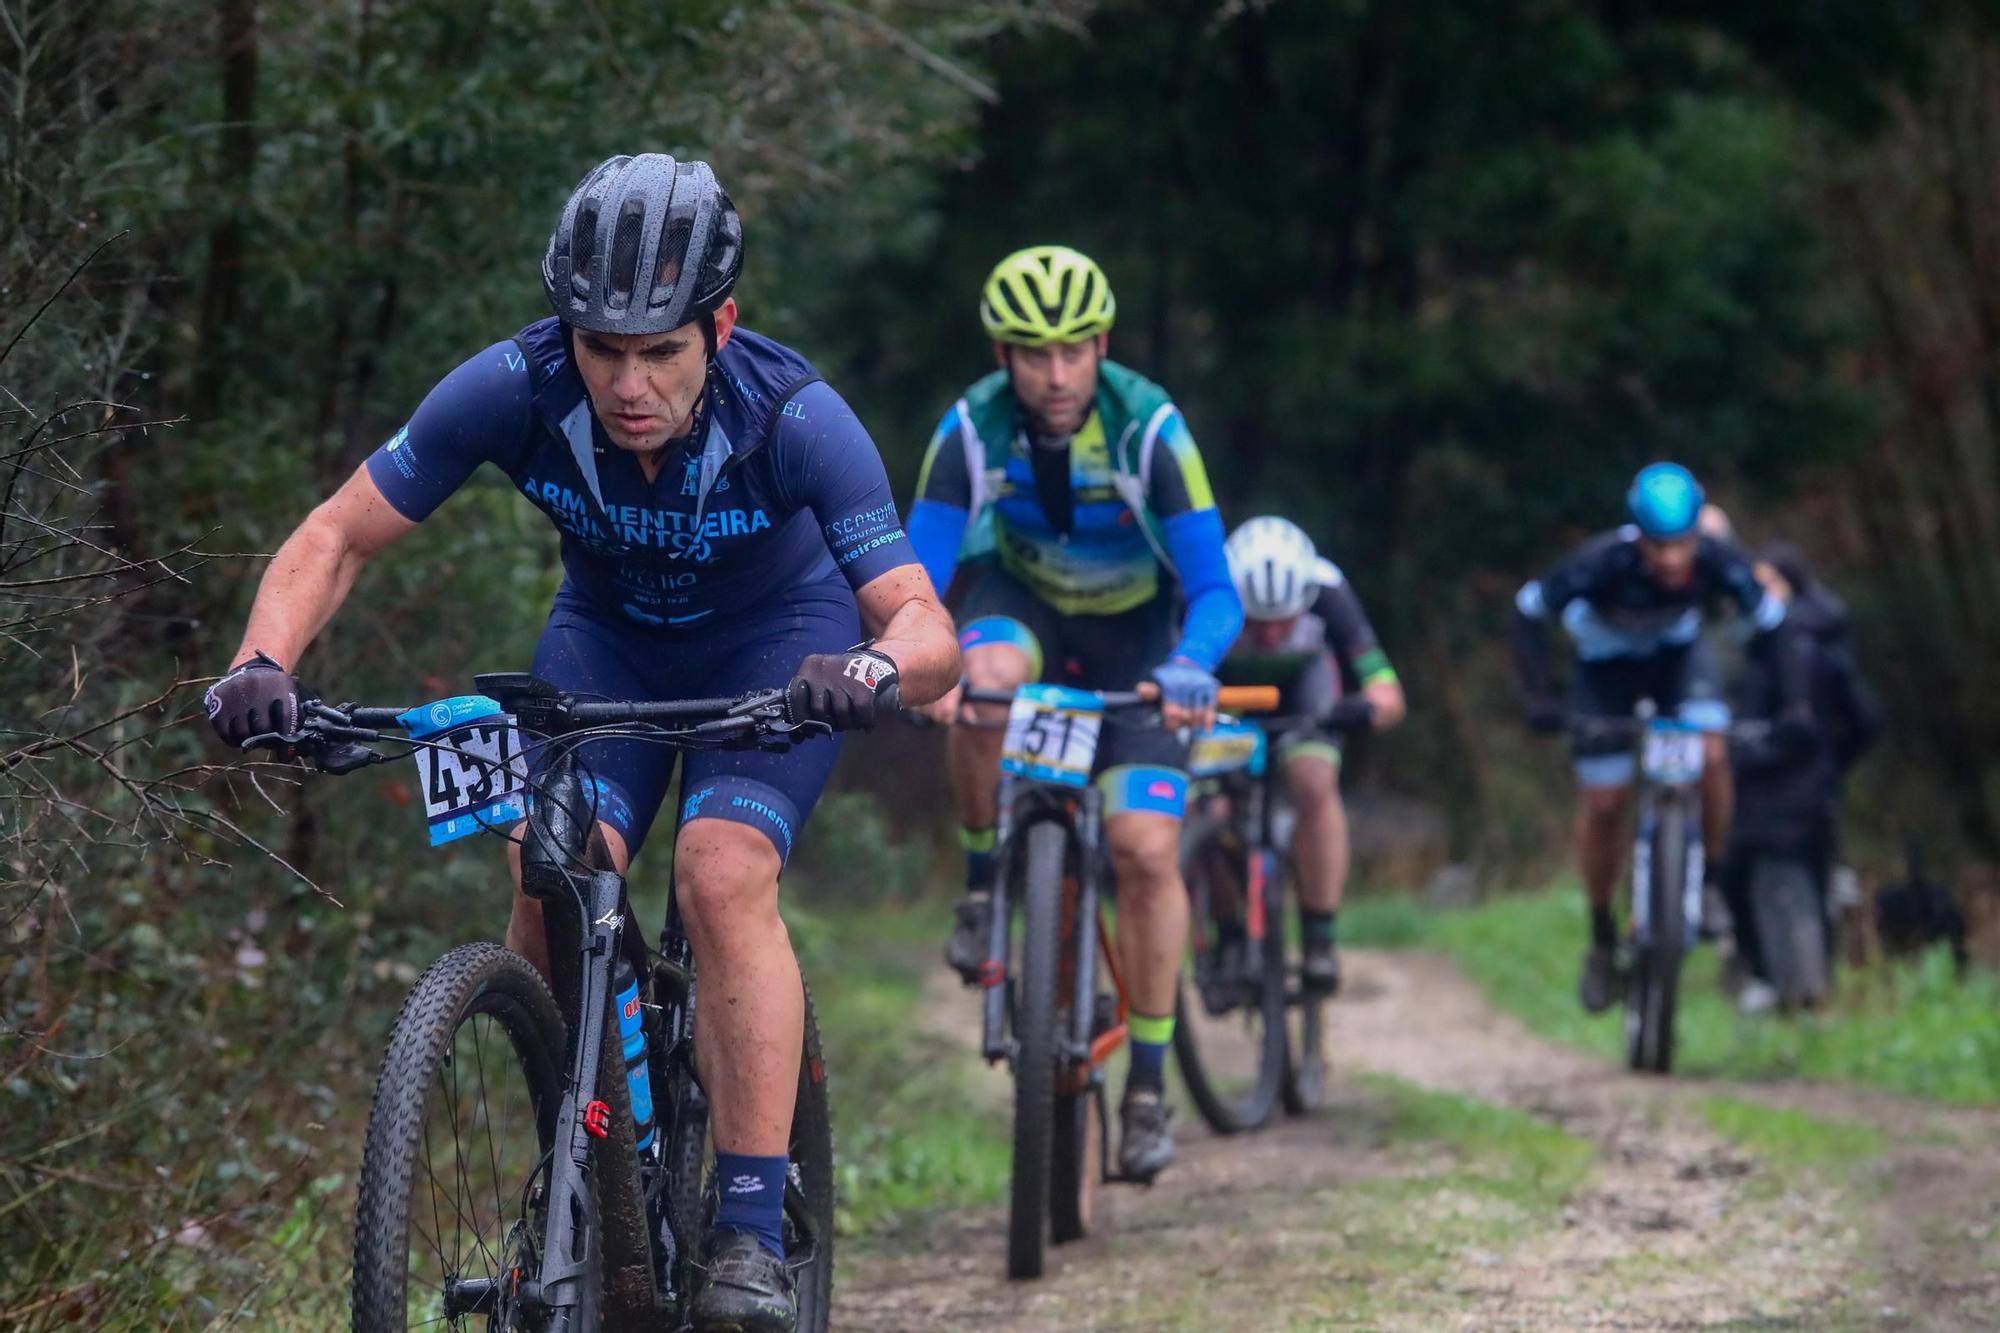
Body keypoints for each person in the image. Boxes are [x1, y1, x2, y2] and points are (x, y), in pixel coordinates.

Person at [201, 154, 959, 1331]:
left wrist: (865, 669)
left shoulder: (795, 415)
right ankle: (579, 1176)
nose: (626, 381)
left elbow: (924, 623)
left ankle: (752, 1232)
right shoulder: (512, 385)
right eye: (602, 347)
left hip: (776, 648)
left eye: (660, 349)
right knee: (545, 869)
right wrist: (262, 661)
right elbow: (337, 535)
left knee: (718, 871)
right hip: (605, 643)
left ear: (722, 323)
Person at [906, 244, 1241, 1180]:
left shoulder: (1151, 429)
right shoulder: (972, 428)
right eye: (1032, 354)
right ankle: (982, 888)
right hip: (1024, 606)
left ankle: (1145, 1087)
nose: (1055, 376)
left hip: (1142, 645)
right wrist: (919, 664)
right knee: (983, 682)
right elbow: (920, 575)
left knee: (1141, 850)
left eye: (1073, 352)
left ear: (1102, 344)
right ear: (1003, 356)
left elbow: (1216, 588)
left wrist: (1190, 664)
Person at [1513, 462, 1799, 1014]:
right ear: (1636, 537)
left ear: (1699, 533)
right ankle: (1601, 936)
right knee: (1604, 803)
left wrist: (1798, 705)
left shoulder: (1717, 559)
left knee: (1713, 753)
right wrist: (1539, 698)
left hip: (1676, 664)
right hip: (1604, 675)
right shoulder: (1600, 562)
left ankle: (1709, 883)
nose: (1671, 559)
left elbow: (1774, 623)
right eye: (1657, 546)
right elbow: (1528, 612)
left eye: (1682, 544)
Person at [1215, 516, 1406, 993]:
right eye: (1257, 623)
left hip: (1304, 695)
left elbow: (1387, 689)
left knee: (1314, 782)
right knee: (1209, 807)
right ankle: (1226, 932)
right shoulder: (1206, 588)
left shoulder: (1328, 591)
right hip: (1225, 696)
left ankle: (1319, 936)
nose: (1272, 636)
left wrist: (1364, 709)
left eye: (1283, 621)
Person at [1720, 542, 1879, 1012]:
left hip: (1776, 792)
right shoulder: (1767, 645)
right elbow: (1865, 721)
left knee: (1747, 877)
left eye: (1769, 584)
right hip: (1800, 791)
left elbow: (1863, 720)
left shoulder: (1791, 649)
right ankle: (1800, 990)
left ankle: (1785, 987)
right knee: (1808, 882)